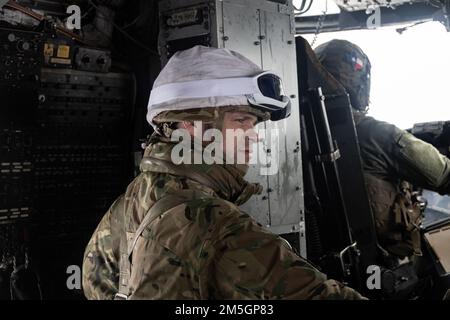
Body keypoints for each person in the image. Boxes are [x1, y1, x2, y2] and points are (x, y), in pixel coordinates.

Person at [82, 45, 365, 300]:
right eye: (241, 120)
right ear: (191, 123)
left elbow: (93, 282)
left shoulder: (131, 199)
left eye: (254, 124)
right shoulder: (217, 225)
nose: (254, 136)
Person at [314, 39, 450, 259]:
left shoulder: (299, 135)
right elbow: (444, 175)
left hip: (331, 264)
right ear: (360, 83)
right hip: (392, 266)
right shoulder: (377, 134)